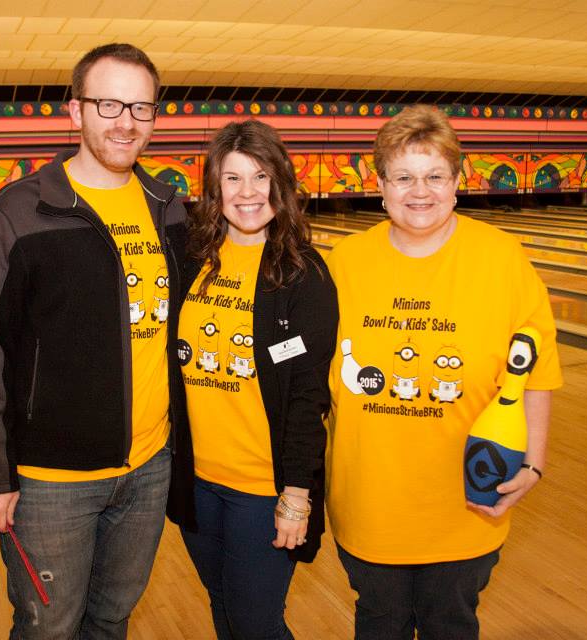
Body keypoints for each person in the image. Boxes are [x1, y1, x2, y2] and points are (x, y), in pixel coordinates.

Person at [0, 43, 187, 639]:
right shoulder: (19, 212)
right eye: (108, 104)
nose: (126, 122)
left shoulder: (169, 208)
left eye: (141, 107)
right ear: (75, 110)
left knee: (111, 620)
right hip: (49, 480)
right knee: (48, 628)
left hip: (148, 468)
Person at [326, 104, 562, 639]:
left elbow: (537, 368)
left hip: (467, 503)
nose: (420, 191)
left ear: (458, 181)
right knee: (378, 623)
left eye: (435, 176)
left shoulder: (501, 258)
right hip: (370, 502)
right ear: (380, 184)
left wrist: (534, 465)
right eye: (403, 177)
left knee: (451, 625)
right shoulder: (346, 261)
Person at [167, 120, 339, 639]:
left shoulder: (302, 274)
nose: (247, 192)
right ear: (214, 187)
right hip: (198, 483)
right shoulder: (193, 259)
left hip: (263, 490)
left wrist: (297, 495)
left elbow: (308, 396)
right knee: (223, 606)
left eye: (260, 177)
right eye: (233, 178)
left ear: (280, 184)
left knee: (254, 624)